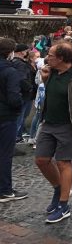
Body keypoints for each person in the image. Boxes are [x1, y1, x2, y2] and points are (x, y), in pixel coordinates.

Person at [35, 42, 72, 223]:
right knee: (41, 160)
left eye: (52, 55)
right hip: (48, 122)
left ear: (62, 58)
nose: (48, 57)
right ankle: (59, 188)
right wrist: (45, 79)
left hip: (69, 125)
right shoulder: (51, 71)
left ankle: (63, 205)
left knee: (63, 163)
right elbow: (54, 93)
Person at [0, 38, 27, 202]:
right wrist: (18, 109)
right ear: (10, 53)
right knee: (5, 154)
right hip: (6, 117)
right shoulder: (11, 72)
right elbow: (14, 98)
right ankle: (5, 190)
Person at [11, 44, 35, 143]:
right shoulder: (20, 64)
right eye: (26, 51)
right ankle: (14, 140)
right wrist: (30, 88)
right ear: (22, 52)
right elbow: (22, 79)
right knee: (19, 119)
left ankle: (17, 137)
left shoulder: (14, 62)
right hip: (23, 95)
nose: (27, 52)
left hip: (21, 94)